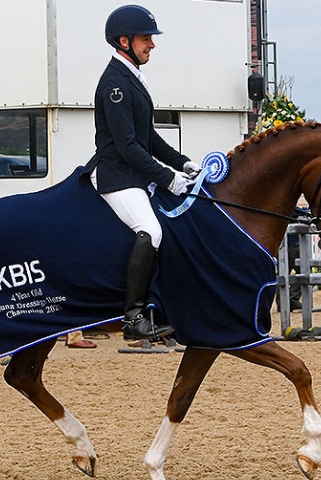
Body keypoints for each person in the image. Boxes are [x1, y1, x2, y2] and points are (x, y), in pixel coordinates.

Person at [81, 5, 201, 341]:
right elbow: (128, 148)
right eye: (145, 38)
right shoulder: (115, 86)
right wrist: (169, 178)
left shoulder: (131, 77)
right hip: (117, 176)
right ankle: (133, 317)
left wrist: (184, 163)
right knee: (151, 230)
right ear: (124, 41)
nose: (152, 44)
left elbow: (148, 137)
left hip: (133, 174)